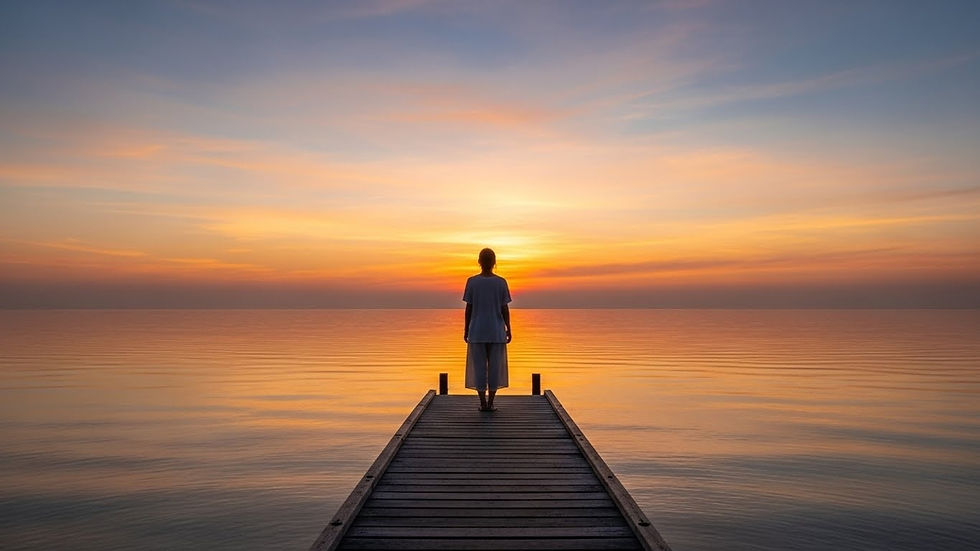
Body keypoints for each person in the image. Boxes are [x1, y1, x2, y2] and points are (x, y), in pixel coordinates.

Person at [463, 248, 512, 411]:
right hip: (496, 330)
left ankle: (482, 403)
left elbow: (469, 308)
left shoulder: (472, 281)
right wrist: (508, 328)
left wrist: (466, 329)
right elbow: (504, 308)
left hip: (477, 330)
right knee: (495, 367)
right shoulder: (501, 282)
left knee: (479, 368)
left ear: (479, 261)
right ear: (494, 262)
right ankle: (490, 403)